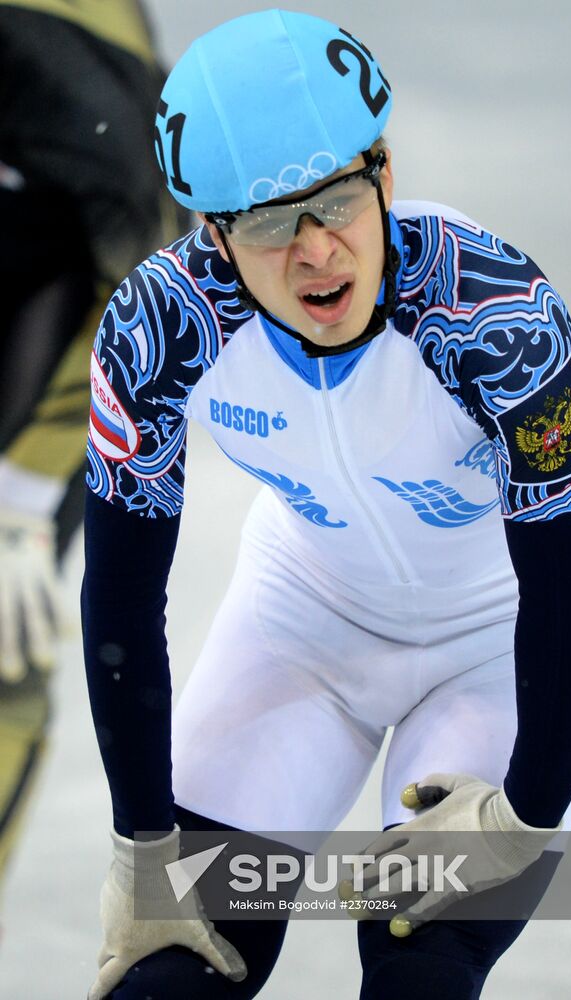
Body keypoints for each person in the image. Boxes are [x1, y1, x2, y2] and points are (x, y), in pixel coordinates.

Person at [81, 10, 571, 999]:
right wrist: (141, 845)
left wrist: (523, 819)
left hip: (494, 649)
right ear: (213, 233)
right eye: (268, 222)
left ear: (383, 167)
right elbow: (119, 600)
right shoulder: (158, 330)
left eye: (334, 201)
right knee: (170, 977)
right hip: (299, 629)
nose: (315, 252)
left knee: (418, 967)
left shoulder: (492, 311)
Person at [0, 0, 186, 895]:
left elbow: (155, 262)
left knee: (3, 637)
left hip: (71, 282)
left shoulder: (55, 66)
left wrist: (25, 491)